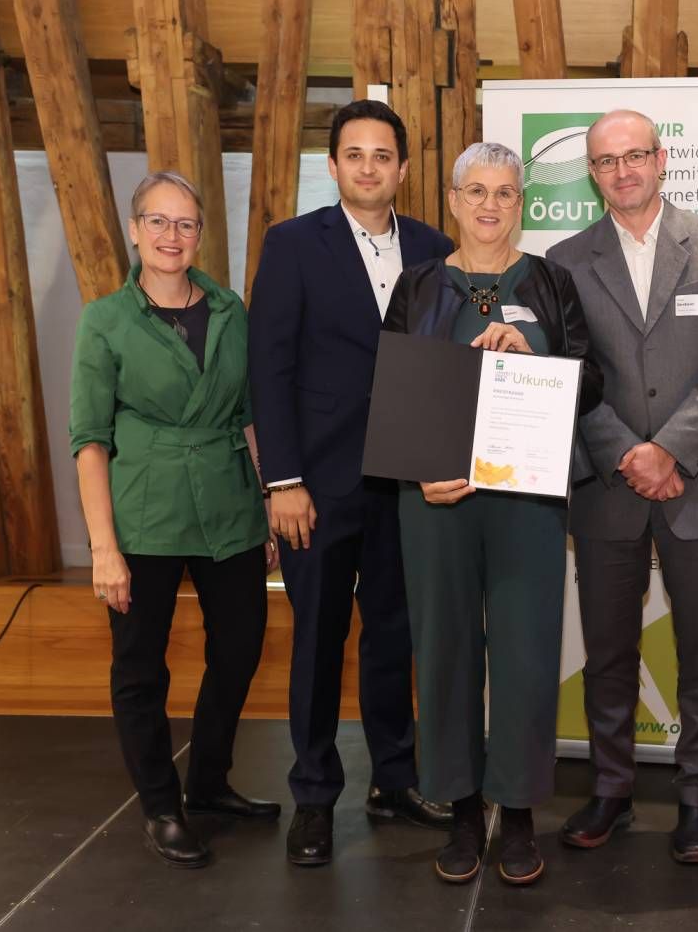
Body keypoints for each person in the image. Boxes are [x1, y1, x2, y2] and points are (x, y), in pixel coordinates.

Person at [381, 141, 602, 887]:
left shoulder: (548, 282)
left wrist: (531, 359)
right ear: (451, 199)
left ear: (522, 203)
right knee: (443, 650)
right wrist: (417, 474)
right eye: (476, 191)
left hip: (526, 499)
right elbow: (393, 390)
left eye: (505, 193)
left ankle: (518, 811)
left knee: (526, 655)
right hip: (435, 499)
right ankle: (463, 807)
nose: (489, 205)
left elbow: (593, 381)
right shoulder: (415, 286)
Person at [248, 99, 454, 867]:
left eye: (383, 154)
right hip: (319, 484)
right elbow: (269, 366)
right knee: (318, 640)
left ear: (403, 167)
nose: (369, 166)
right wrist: (284, 481)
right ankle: (313, 795)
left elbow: (448, 360)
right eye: (354, 154)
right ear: (332, 166)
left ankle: (394, 779)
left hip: (408, 483)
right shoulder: (295, 243)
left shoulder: (435, 246)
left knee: (396, 634)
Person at [549, 109, 698, 864]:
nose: (623, 171)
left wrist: (668, 451)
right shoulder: (565, 260)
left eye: (635, 155)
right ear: (592, 173)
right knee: (607, 650)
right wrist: (625, 452)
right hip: (608, 485)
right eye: (606, 161)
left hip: (697, 483)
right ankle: (611, 788)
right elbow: (568, 369)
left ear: (661, 159)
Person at [69, 171, 280, 868]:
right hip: (145, 510)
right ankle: (161, 805)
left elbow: (249, 413)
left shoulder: (229, 309)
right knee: (140, 667)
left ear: (199, 235)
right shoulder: (105, 320)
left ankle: (210, 780)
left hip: (228, 504)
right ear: (134, 230)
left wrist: (268, 500)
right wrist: (104, 547)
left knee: (241, 646)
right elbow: (89, 440)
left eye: (185, 223)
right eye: (157, 221)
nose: (171, 235)